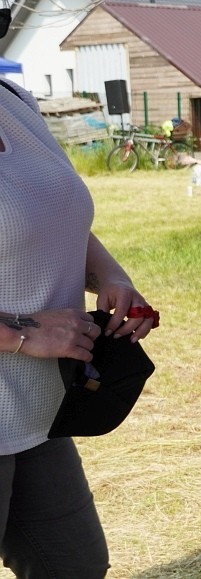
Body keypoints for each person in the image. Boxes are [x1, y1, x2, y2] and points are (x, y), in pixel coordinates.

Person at [0, 70, 157, 573]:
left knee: (75, 566)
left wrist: (109, 273)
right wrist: (20, 335)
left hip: (38, 412)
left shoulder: (14, 99)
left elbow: (48, 210)